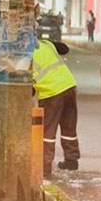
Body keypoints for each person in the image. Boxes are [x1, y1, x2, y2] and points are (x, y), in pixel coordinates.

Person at [31, 38, 79, 176]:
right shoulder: (46, 43)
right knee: (69, 126)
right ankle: (71, 160)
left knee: (47, 131)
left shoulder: (24, 54)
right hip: (69, 85)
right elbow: (64, 48)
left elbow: (27, 83)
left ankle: (45, 166)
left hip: (51, 91)